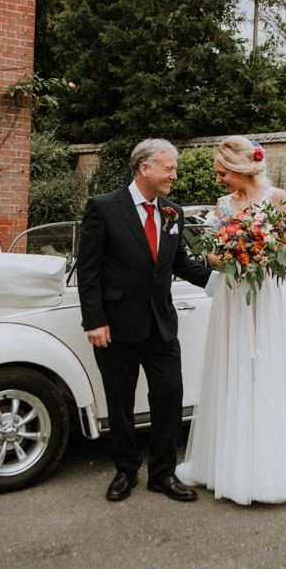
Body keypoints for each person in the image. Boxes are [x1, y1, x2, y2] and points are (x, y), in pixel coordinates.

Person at [176, 135, 286, 504]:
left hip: (264, 297)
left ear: (241, 167)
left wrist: (258, 252)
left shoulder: (278, 199)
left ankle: (271, 467)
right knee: (232, 368)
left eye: (222, 172)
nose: (219, 179)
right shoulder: (223, 205)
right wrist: (224, 256)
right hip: (231, 297)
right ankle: (225, 464)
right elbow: (212, 256)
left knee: (267, 369)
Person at [78, 139, 213, 502]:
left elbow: (181, 264)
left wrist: (224, 279)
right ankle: (125, 470)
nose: (174, 174)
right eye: (168, 168)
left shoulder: (172, 211)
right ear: (144, 168)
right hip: (116, 327)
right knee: (120, 402)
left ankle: (163, 474)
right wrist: (94, 320)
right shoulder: (103, 208)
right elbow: (88, 271)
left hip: (161, 327)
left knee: (169, 398)